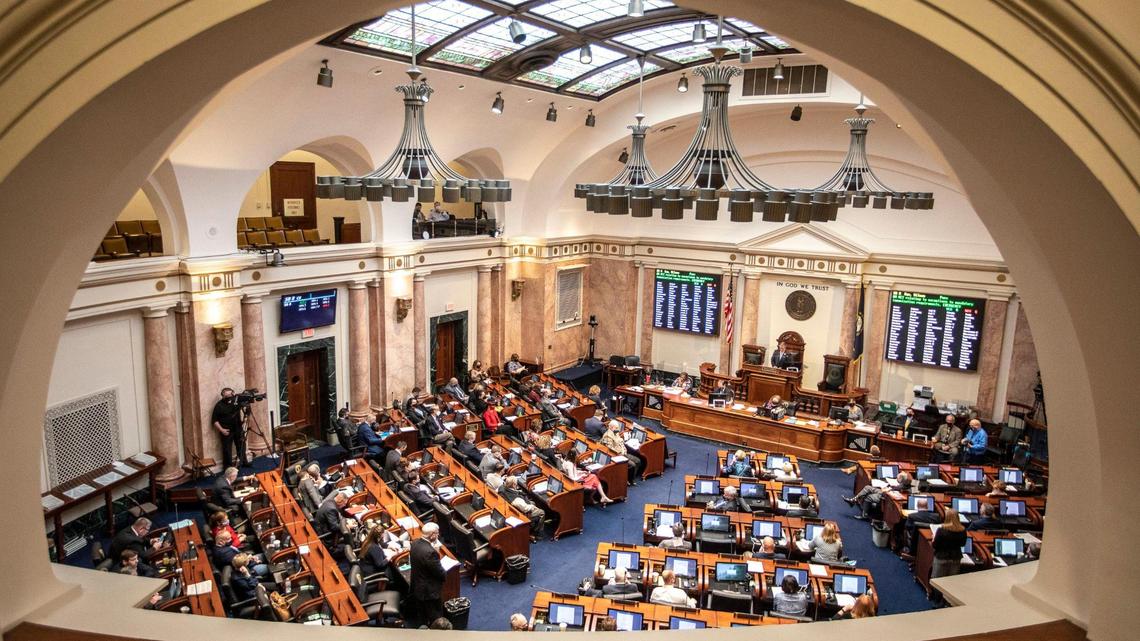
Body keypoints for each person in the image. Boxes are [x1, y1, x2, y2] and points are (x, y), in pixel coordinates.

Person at [410, 522, 446, 624]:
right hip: (429, 592)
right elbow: (440, 573)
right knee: (436, 618)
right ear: (432, 535)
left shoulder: (415, 543)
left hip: (417, 586)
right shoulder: (430, 552)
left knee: (422, 616)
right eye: (437, 533)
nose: (438, 536)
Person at [211, 387, 247, 468]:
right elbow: (214, 421)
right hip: (226, 430)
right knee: (227, 450)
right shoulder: (219, 405)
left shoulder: (236, 402)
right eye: (226, 396)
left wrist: (245, 418)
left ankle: (244, 462)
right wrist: (221, 430)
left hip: (238, 428)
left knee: (241, 446)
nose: (229, 397)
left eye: (231, 395)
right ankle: (228, 467)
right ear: (223, 396)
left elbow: (245, 407)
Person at [501, 475, 545, 540]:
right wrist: (533, 507)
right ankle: (535, 533)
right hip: (523, 513)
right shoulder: (517, 500)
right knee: (542, 512)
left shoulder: (502, 488)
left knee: (533, 503)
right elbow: (526, 509)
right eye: (516, 483)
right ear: (513, 485)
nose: (517, 484)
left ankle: (534, 524)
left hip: (515, 507)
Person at [932, 508, 968, 578]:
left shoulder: (941, 530)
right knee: (951, 581)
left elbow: (935, 545)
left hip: (941, 557)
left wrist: (933, 539)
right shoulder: (963, 530)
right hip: (956, 558)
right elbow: (963, 544)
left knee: (937, 581)